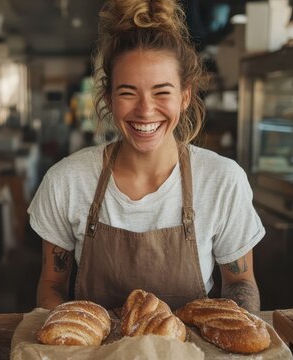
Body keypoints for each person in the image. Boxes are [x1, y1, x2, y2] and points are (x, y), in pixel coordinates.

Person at [29, 0, 265, 312]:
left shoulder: (221, 180)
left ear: (185, 96)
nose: (145, 110)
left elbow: (240, 283)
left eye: (162, 92)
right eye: (128, 92)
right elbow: (52, 285)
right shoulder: (66, 182)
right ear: (109, 99)